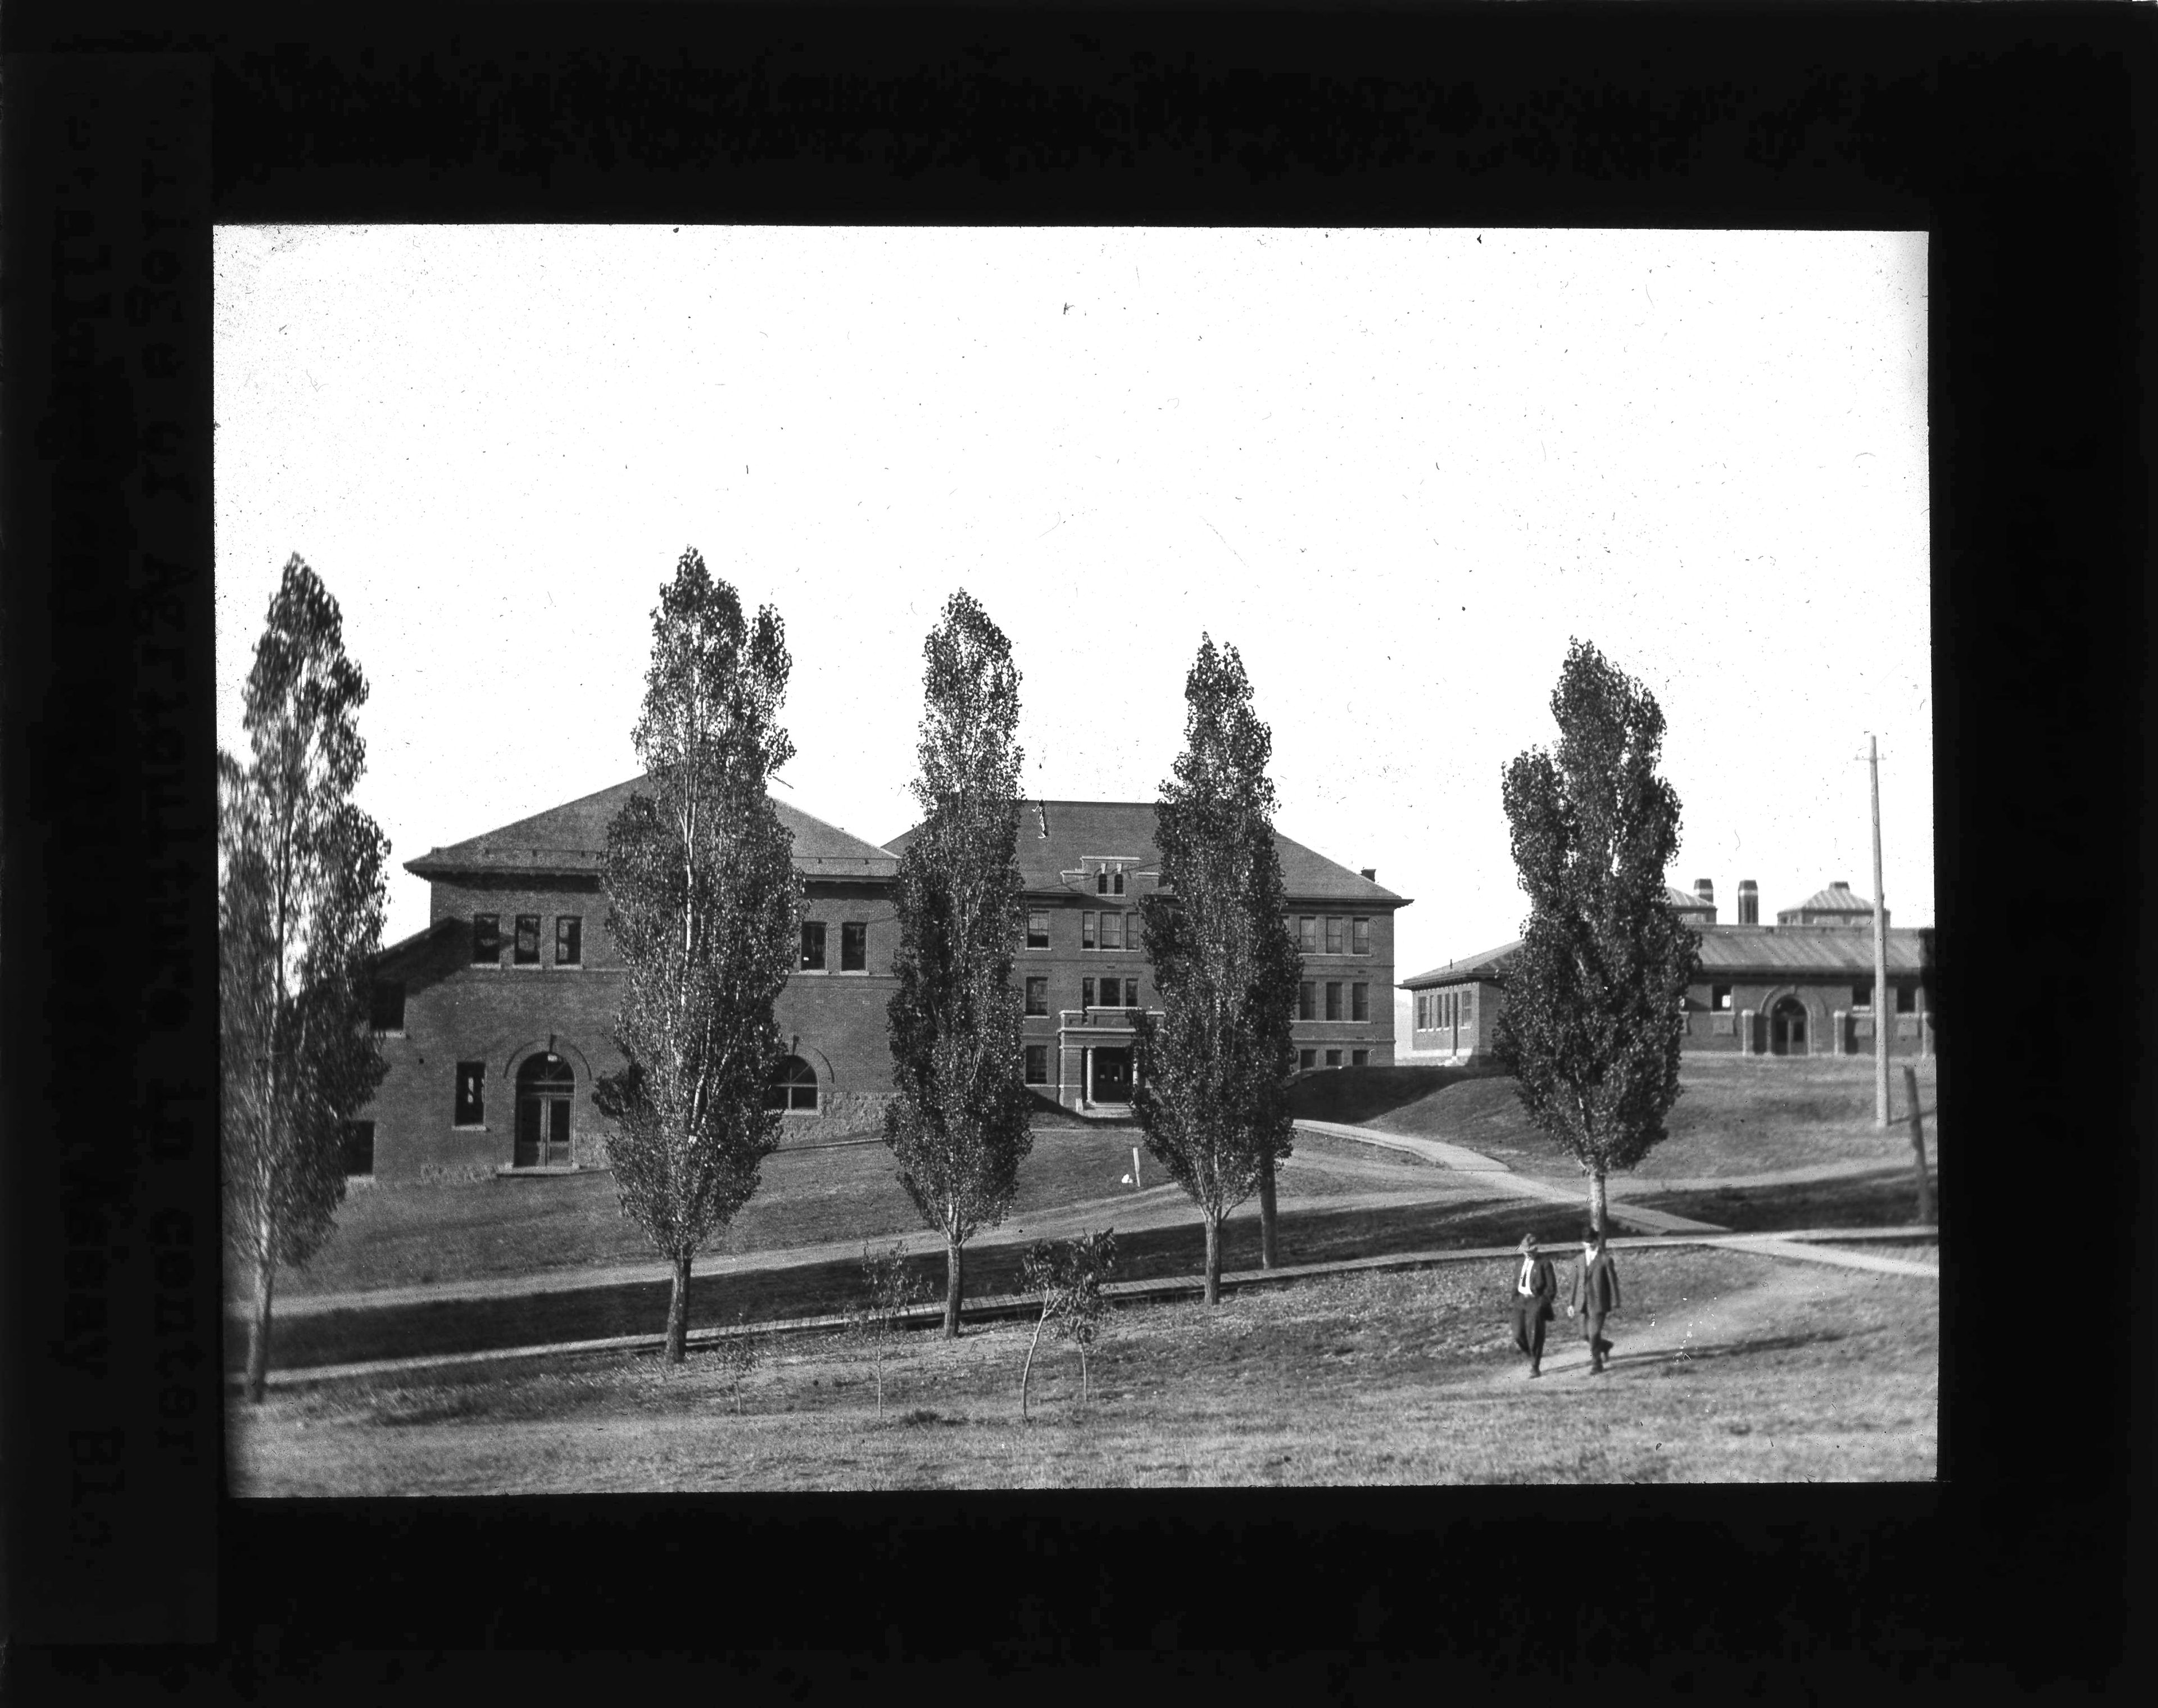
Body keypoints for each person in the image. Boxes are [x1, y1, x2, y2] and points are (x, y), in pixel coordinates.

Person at [1567, 1225, 1622, 1374]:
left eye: (1592, 1240)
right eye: (1587, 1241)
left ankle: (1597, 1364)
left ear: (1597, 1241)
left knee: (1594, 1334)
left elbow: (1612, 1281)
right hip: (1582, 1303)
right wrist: (1571, 1303)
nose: (1590, 1244)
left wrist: (1616, 1301)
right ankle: (1605, 1346)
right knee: (1584, 1334)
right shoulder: (1578, 1260)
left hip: (1598, 1303)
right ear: (1582, 1243)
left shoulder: (1605, 1260)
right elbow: (1574, 1283)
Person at [1508, 1233, 1558, 1378]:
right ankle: (1531, 1355)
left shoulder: (1544, 1264)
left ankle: (1535, 1366)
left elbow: (1551, 1288)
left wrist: (1541, 1303)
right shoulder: (1519, 1264)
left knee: (1535, 1334)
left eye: (1530, 1252)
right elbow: (1516, 1282)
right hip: (1520, 1301)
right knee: (1518, 1334)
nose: (1527, 1254)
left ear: (1536, 1250)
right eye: (1525, 1252)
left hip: (1535, 1302)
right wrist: (1514, 1296)